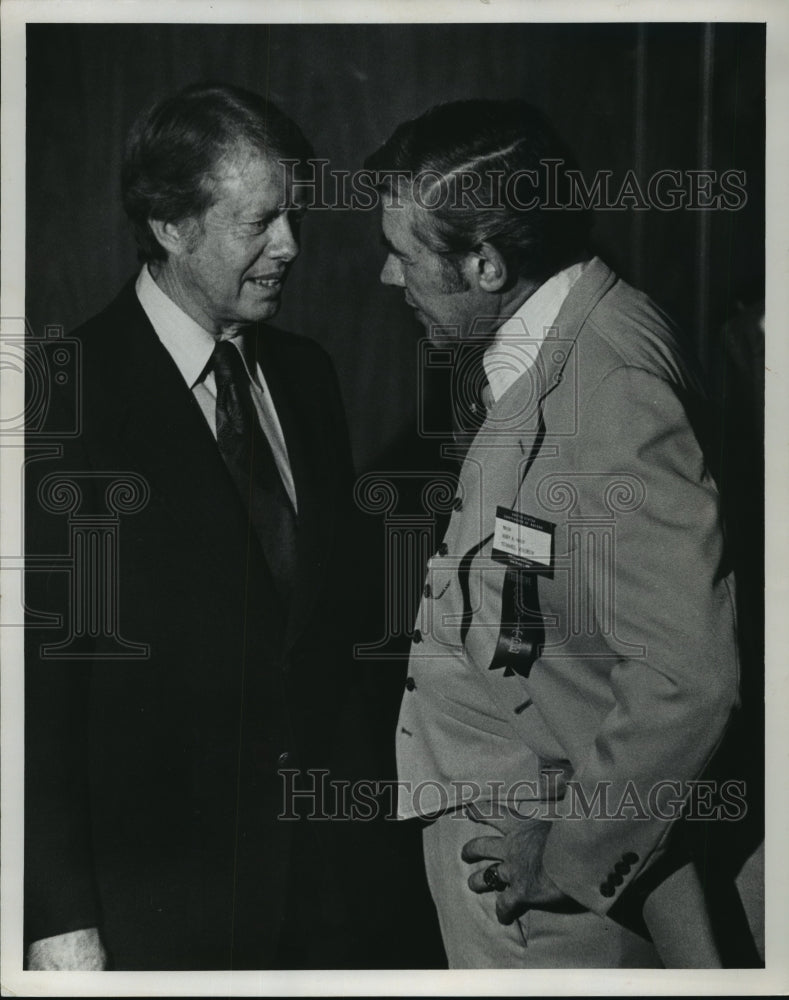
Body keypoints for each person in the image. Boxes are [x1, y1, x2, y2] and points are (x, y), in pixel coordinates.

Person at [365, 100, 741, 968]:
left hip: (547, 899)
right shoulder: (559, 330)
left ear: (488, 264)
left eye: (403, 253)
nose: (389, 278)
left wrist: (568, 854)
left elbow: (689, 679)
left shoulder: (612, 385)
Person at [24, 83, 358, 971]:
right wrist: (58, 921)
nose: (290, 247)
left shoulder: (309, 377)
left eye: (292, 217)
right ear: (171, 227)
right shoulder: (63, 397)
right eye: (259, 223)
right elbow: (36, 692)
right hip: (148, 916)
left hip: (317, 905)